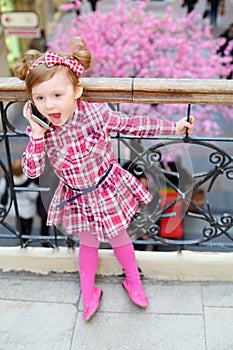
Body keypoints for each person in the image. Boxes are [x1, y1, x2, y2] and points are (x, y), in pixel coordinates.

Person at [13, 37, 195, 322]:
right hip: (76, 195)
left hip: (107, 189)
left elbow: (135, 124)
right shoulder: (42, 129)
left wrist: (174, 126)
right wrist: (36, 136)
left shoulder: (96, 114)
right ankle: (89, 292)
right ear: (32, 101)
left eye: (57, 95)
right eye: (40, 98)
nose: (49, 105)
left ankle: (133, 280)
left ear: (77, 91)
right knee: (88, 243)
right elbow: (32, 170)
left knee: (119, 236)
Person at [9, 159, 39, 244]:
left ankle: (21, 238)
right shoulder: (28, 182)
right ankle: (26, 240)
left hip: (17, 208)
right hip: (28, 209)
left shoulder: (9, 180)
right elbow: (34, 195)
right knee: (27, 226)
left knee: (19, 224)